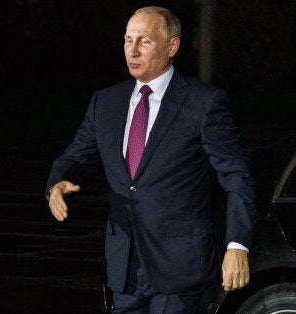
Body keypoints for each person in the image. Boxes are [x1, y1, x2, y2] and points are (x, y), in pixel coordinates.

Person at [46, 6, 256, 313]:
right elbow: (78, 156)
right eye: (127, 39)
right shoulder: (105, 102)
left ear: (172, 46)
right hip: (124, 266)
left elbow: (237, 175)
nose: (132, 50)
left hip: (180, 267)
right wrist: (58, 182)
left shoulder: (204, 103)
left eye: (144, 41)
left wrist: (237, 245)